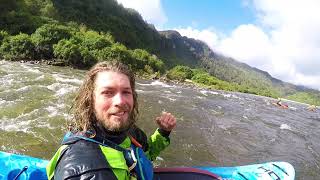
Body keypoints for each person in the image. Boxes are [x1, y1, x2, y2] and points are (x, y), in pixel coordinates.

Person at [46, 61, 177, 180]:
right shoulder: (85, 171)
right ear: (90, 100)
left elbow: (145, 155)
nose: (120, 101)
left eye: (126, 92)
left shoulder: (129, 132)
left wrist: (163, 132)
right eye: (108, 92)